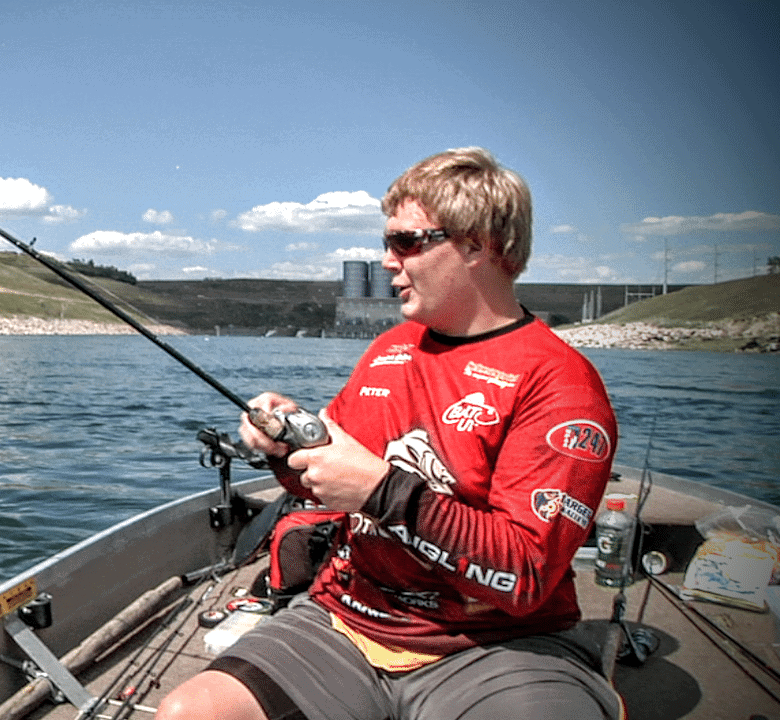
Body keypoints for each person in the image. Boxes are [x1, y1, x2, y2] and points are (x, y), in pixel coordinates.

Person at [156, 147, 622, 720]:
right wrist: (286, 450)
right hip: (348, 617)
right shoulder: (388, 351)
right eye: (385, 244)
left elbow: (525, 574)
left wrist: (382, 491)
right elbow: (325, 481)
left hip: (496, 643)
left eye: (406, 242)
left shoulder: (560, 383)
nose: (387, 262)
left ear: (478, 244)